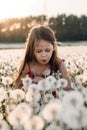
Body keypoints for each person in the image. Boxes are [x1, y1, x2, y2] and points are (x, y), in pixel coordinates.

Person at [14, 25, 72, 90]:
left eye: (47, 50)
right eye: (39, 51)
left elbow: (68, 87)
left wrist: (49, 85)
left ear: (54, 47)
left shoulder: (59, 64)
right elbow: (17, 86)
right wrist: (31, 83)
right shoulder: (28, 65)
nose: (44, 55)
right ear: (32, 49)